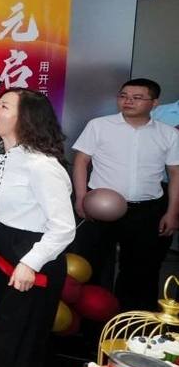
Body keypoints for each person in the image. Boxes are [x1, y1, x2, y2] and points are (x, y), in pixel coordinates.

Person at [0, 89, 74, 367]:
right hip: (8, 243)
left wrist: (30, 264)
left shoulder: (42, 166)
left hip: (35, 252)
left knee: (24, 333)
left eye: (4, 106)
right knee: (7, 326)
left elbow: (63, 228)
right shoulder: (2, 155)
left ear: (26, 118)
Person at [71, 78, 179, 311]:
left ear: (154, 103)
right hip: (100, 208)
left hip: (147, 210)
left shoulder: (169, 134)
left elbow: (175, 173)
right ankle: (92, 322)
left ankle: (130, 321)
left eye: (137, 97)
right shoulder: (99, 125)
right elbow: (81, 161)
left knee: (141, 270)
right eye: (123, 96)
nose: (128, 101)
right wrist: (81, 197)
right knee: (93, 265)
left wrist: (172, 212)